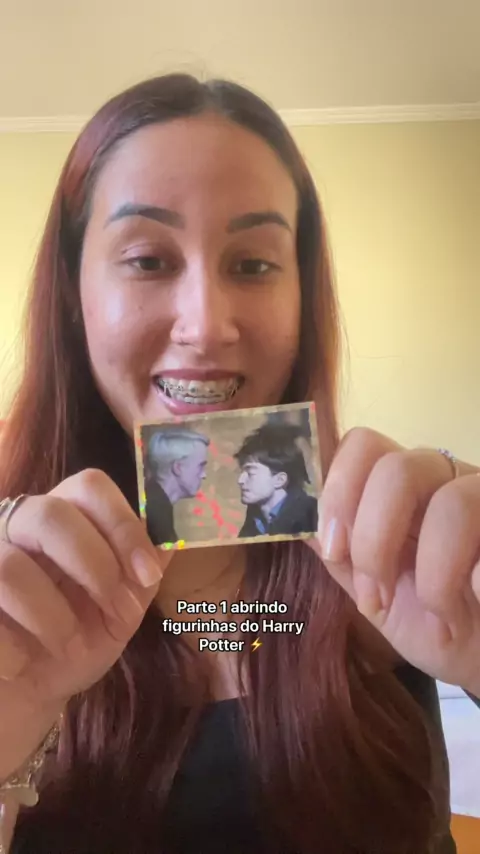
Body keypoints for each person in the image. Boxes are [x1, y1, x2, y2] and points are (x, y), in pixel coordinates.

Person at [0, 74, 478, 854]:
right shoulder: (10, 587)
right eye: (148, 259)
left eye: (253, 265)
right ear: (71, 295)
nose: (206, 324)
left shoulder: (391, 561)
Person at [235, 422, 318, 537]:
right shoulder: (255, 517)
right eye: (242, 472)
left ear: (279, 480)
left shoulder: (311, 518)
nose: (240, 480)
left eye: (250, 473)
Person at [144, 428, 209, 544]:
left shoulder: (156, 505)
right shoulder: (155, 515)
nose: (204, 475)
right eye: (200, 466)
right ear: (178, 468)